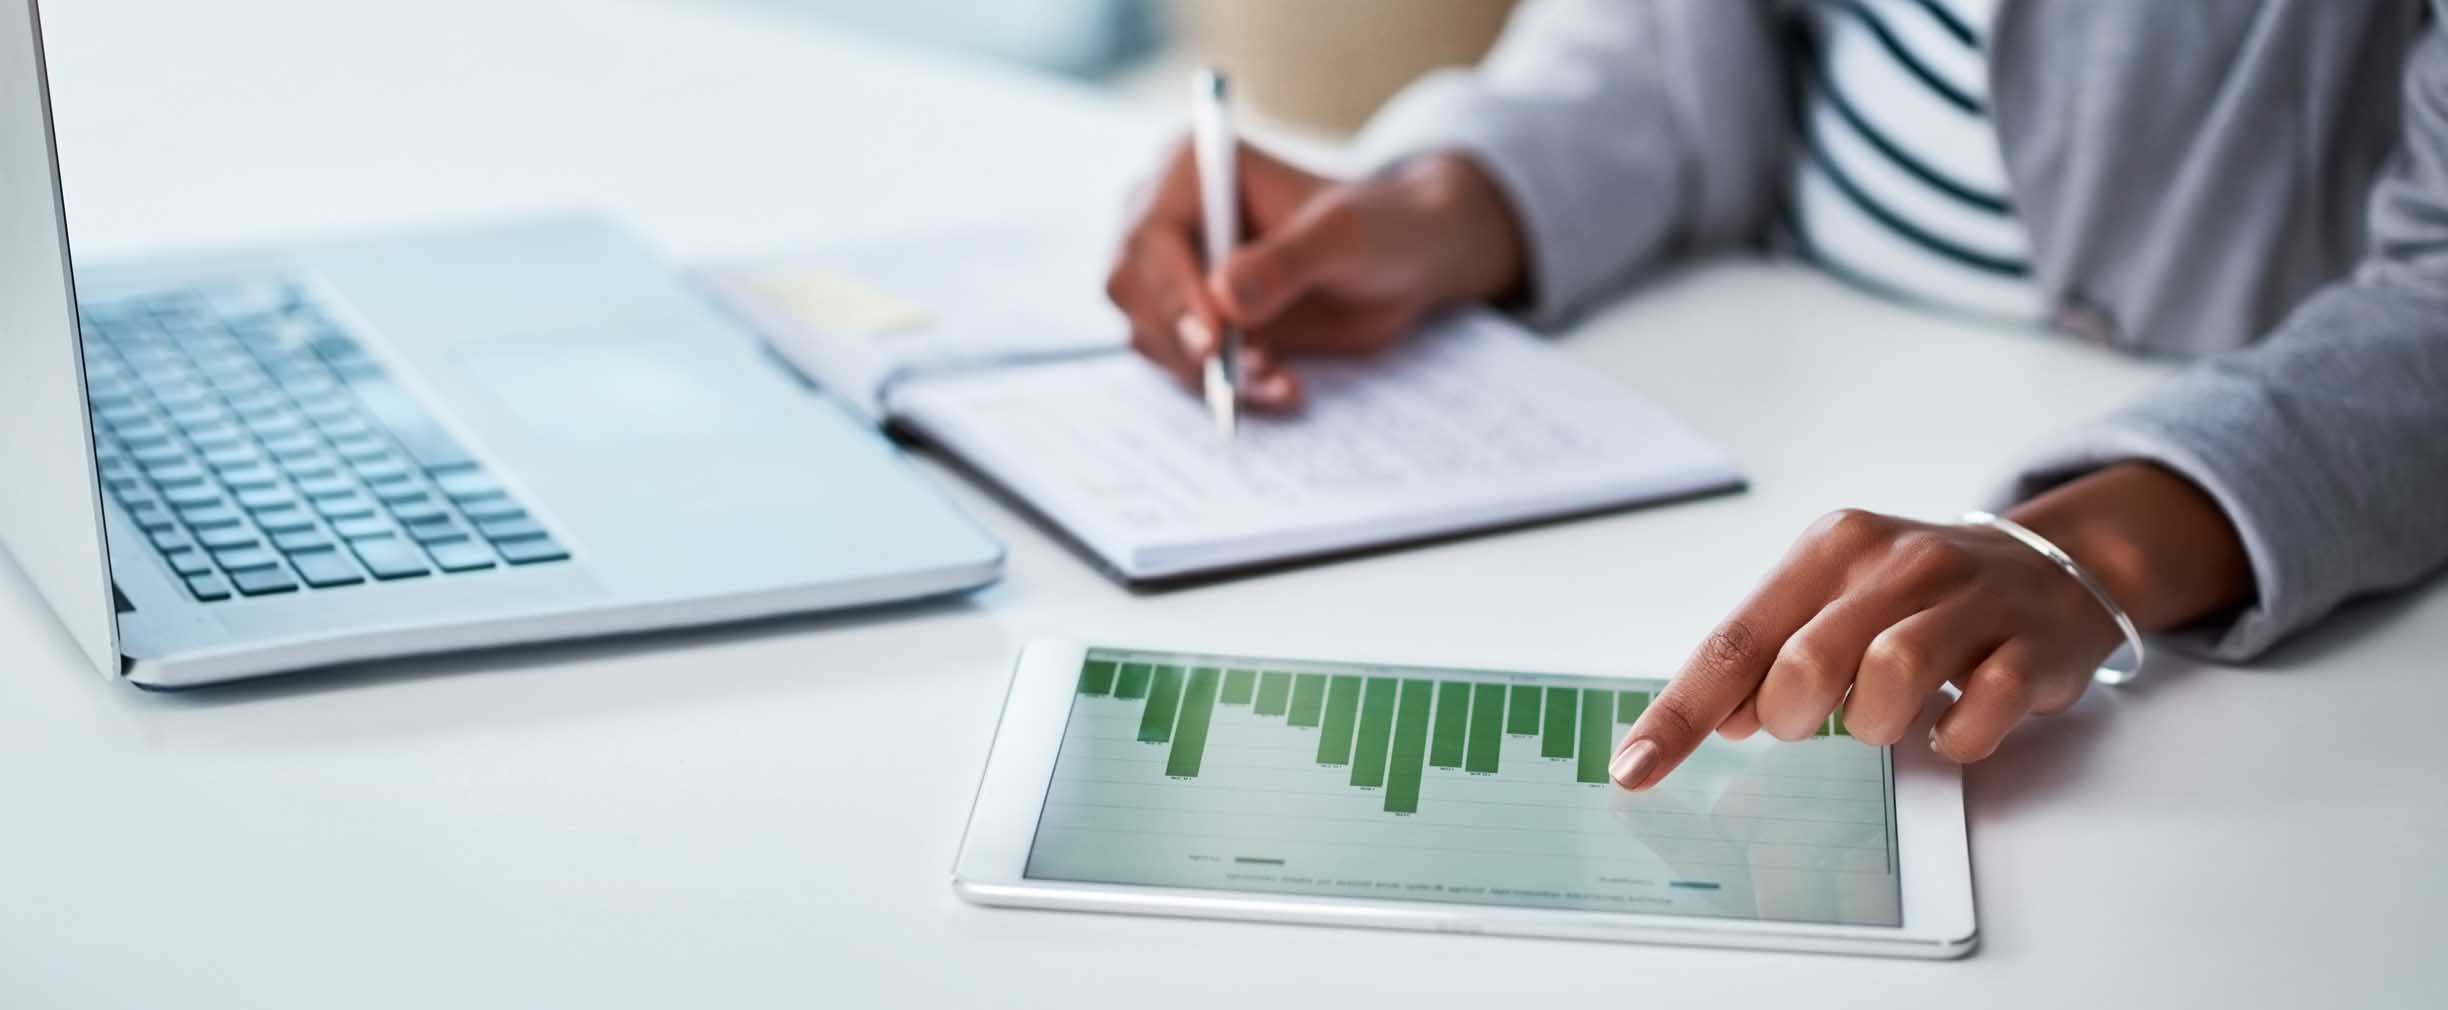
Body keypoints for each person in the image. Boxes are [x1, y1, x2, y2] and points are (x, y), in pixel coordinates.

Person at [1103, 0, 2448, 789]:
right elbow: (1671, 41)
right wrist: (1455, 196)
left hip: (2269, 507)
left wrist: (2112, 535)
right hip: (1744, 351)